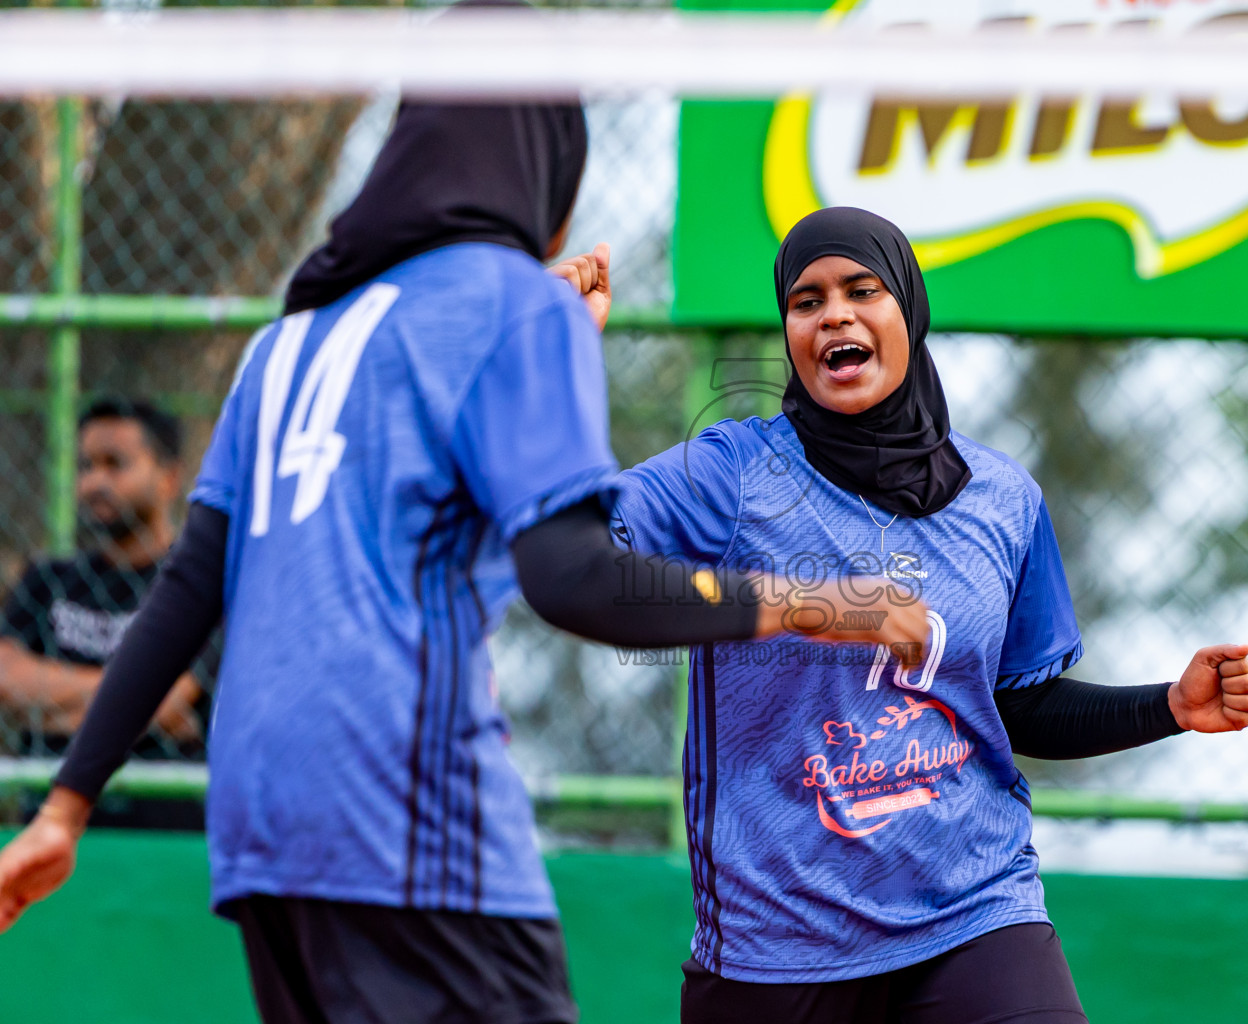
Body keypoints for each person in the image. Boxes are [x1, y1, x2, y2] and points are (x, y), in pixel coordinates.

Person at [0, 90, 925, 1024]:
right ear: (541, 171)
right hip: (403, 812)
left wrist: (65, 807)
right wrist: (827, 603)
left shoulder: (286, 344)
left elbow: (188, 590)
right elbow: (576, 579)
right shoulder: (512, 310)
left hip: (261, 829)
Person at [612, 207, 1248, 1024]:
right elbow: (578, 542)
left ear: (908, 311)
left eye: (862, 289)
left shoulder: (1002, 501)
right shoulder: (734, 474)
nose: (835, 315)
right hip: (780, 941)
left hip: (974, 910)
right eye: (807, 301)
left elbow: (1015, 703)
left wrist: (1166, 705)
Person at [0, 398, 211, 769]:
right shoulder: (49, 578)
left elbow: (172, 702)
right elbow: (6, 678)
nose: (95, 482)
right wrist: (134, 695)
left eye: (116, 464)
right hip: (49, 809)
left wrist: (48, 703)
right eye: (86, 466)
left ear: (168, 478)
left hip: (161, 816)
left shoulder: (197, 582)